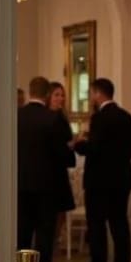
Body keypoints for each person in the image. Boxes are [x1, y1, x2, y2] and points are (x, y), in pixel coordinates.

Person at [71, 78, 131, 262]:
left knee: (97, 227)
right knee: (120, 227)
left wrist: (80, 145)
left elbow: (96, 149)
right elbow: (130, 151)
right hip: (121, 180)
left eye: (92, 94)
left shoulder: (100, 118)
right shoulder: (127, 118)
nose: (92, 98)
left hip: (100, 182)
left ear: (98, 94)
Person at [18, 76, 72, 262]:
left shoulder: (16, 116)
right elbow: (63, 155)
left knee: (22, 231)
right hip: (46, 186)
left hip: (20, 184)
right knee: (44, 234)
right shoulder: (52, 119)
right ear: (47, 94)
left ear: (30, 91)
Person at [49, 81, 76, 217]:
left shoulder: (62, 117)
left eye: (62, 95)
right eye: (57, 95)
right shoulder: (47, 117)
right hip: (50, 169)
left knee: (62, 210)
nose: (61, 98)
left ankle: (57, 238)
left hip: (60, 169)